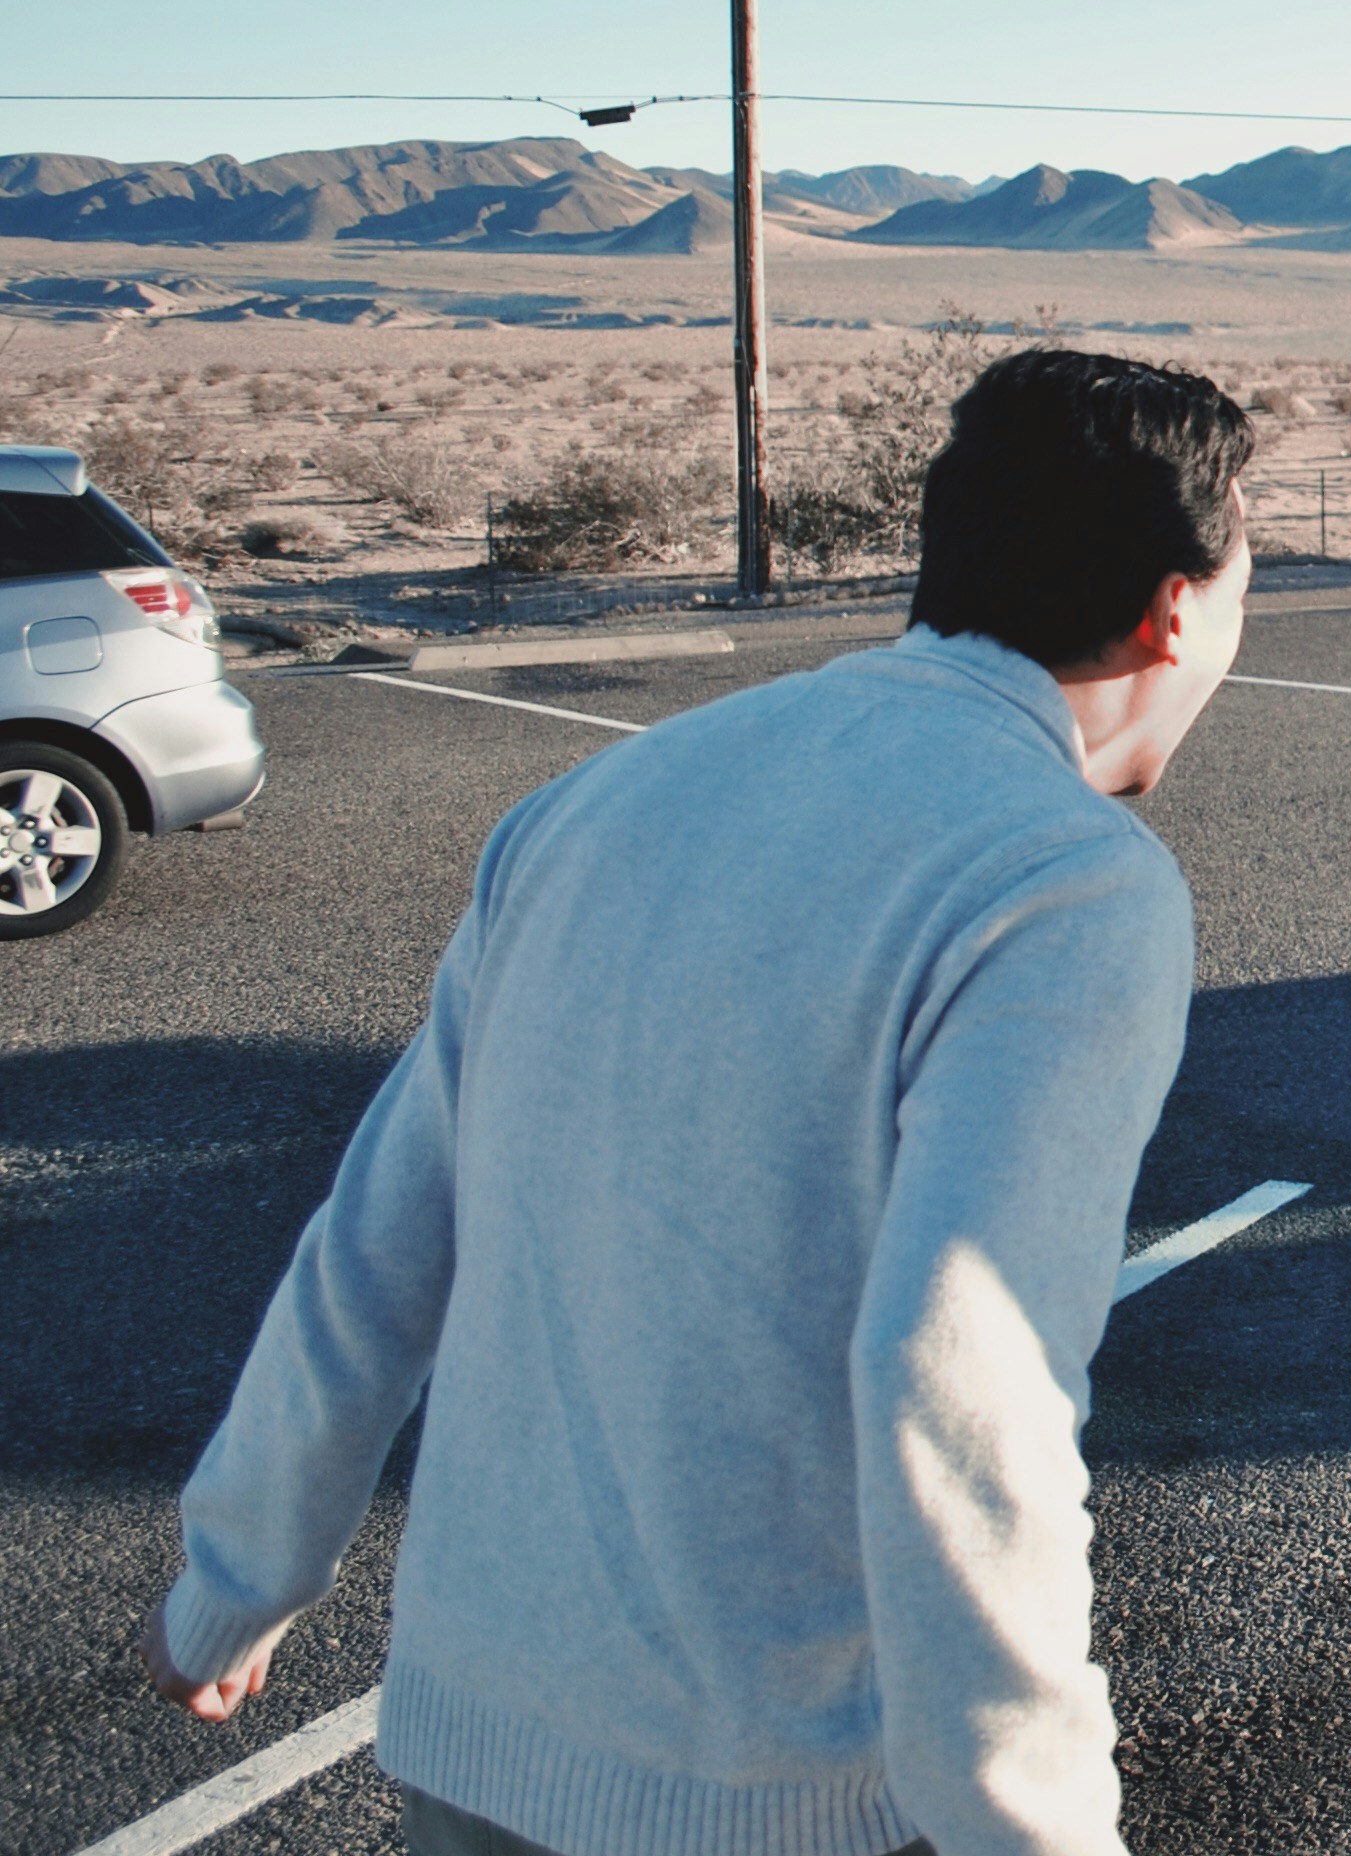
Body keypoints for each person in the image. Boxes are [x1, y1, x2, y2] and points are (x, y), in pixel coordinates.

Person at [141, 349, 1258, 1856]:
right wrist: (1036, 1828)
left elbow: (381, 1241)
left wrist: (238, 1577)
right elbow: (963, 1382)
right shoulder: (1063, 883)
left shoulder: (598, 800)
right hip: (786, 1799)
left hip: (473, 1749)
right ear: (1176, 608)